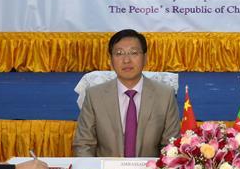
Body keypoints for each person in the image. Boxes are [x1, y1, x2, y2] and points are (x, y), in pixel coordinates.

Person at [72, 29, 180, 157]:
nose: (126, 60)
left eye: (134, 53)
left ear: (145, 58)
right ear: (111, 60)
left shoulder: (165, 95)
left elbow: (171, 145)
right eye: (119, 53)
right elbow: (84, 144)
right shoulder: (94, 96)